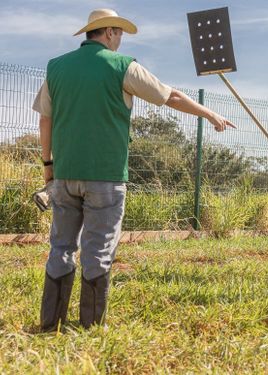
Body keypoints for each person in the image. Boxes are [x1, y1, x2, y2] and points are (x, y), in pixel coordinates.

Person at [32, 9, 235, 331]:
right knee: (98, 251)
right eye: (120, 33)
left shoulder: (57, 67)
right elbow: (171, 97)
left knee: (61, 247)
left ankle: (49, 325)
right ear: (110, 32)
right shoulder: (123, 66)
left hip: (65, 174)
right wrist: (209, 114)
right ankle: (90, 328)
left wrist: (48, 166)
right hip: (106, 176)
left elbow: (45, 119)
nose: (120, 39)